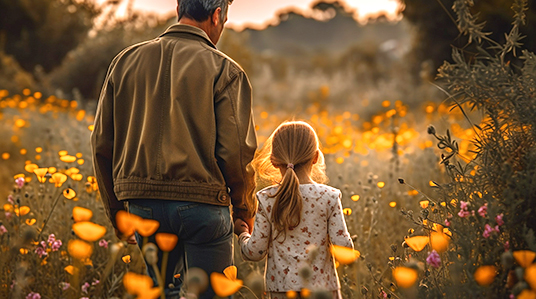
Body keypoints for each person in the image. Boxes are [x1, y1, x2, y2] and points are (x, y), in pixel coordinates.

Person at [90, 0, 257, 298]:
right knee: (211, 294)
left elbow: (102, 143)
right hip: (203, 205)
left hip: (142, 206)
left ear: (180, 6)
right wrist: (243, 208)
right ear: (217, 15)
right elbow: (236, 154)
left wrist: (117, 212)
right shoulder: (226, 70)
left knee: (165, 292)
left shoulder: (124, 61)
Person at [234, 121, 354, 299]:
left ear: (274, 161)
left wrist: (243, 233)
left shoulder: (267, 199)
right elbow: (344, 248)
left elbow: (255, 252)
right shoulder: (329, 197)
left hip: (282, 291)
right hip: (323, 291)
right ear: (315, 157)